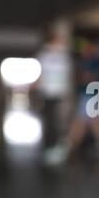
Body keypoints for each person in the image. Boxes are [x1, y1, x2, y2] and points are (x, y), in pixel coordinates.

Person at [44, 38, 99, 166]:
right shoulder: (89, 62)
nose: (86, 51)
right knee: (92, 122)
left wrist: (83, 79)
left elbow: (89, 79)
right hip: (89, 95)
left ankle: (66, 149)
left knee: (81, 122)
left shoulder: (91, 63)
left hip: (91, 95)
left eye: (88, 48)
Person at [36, 21, 73, 161]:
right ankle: (51, 146)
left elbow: (65, 75)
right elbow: (42, 75)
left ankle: (56, 146)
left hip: (56, 92)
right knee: (51, 120)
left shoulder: (60, 56)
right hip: (49, 92)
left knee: (56, 120)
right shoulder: (47, 55)